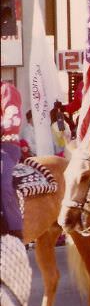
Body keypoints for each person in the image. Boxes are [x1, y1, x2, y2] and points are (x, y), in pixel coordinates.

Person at [1, 81, 24, 239]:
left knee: (2, 182)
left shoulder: (6, 89)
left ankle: (14, 230)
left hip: (6, 145)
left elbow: (12, 117)